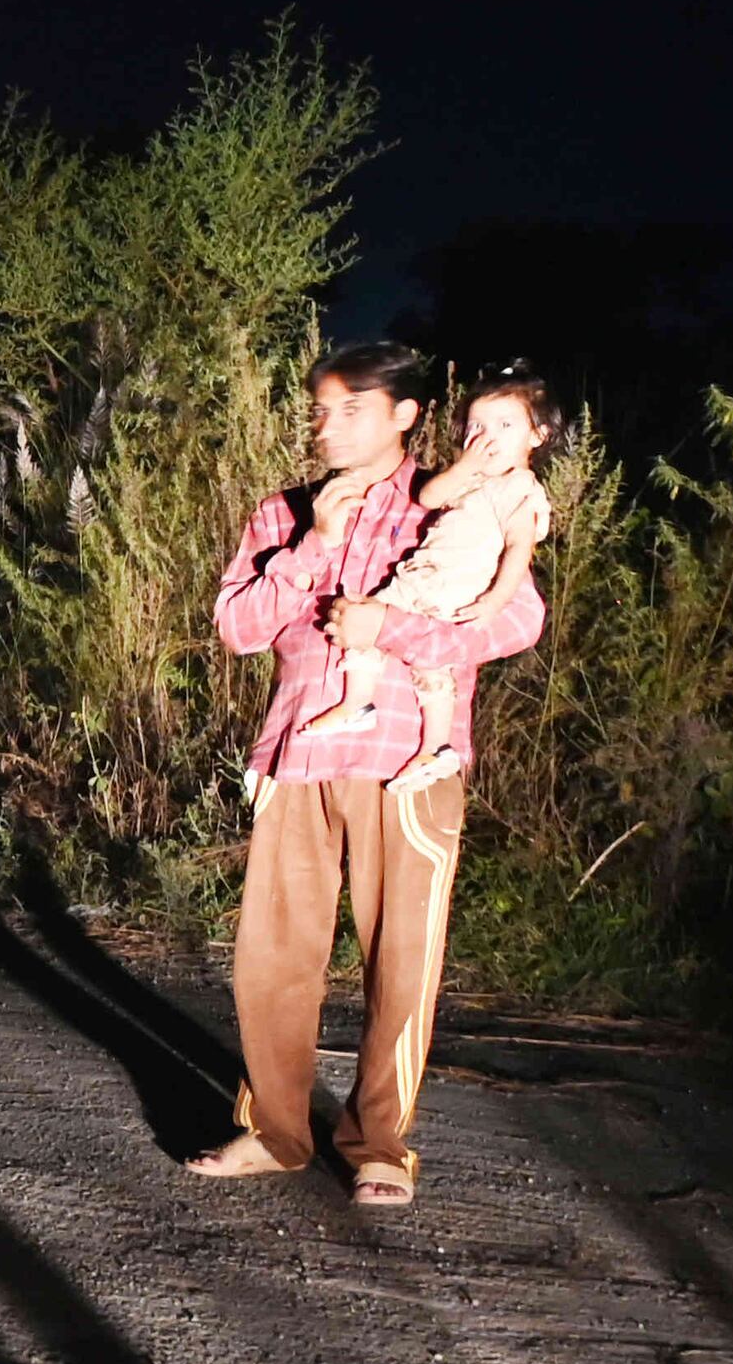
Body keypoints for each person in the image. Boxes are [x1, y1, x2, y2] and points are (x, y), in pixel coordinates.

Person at [184, 344, 543, 1206]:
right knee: (273, 959)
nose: (329, 426)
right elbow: (238, 628)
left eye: (352, 409)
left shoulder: (456, 501)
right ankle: (276, 1133)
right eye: (321, 410)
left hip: (408, 762)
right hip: (298, 753)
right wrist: (314, 544)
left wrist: (394, 629)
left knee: (402, 960)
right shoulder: (285, 512)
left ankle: (379, 1143)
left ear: (406, 415)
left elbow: (515, 621)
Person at [290, 375, 558, 773]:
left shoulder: (521, 489)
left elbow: (520, 548)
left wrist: (495, 600)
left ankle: (388, 719)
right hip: (423, 575)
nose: (488, 436)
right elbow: (429, 497)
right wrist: (465, 467)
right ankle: (415, 736)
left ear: (537, 435)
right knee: (394, 639)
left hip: (457, 585)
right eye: (477, 426)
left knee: (398, 639)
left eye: (505, 425)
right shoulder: (471, 479)